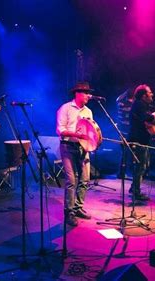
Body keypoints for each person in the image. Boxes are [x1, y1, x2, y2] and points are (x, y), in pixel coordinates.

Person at [56, 81, 95, 227]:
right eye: (86, 93)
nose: (88, 96)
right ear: (77, 93)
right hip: (68, 146)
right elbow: (60, 130)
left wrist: (92, 140)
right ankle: (69, 212)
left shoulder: (88, 111)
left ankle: (78, 207)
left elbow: (91, 129)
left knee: (85, 179)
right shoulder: (65, 108)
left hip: (83, 147)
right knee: (71, 181)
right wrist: (77, 135)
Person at [128, 84, 155, 201]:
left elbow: (152, 124)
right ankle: (136, 191)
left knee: (143, 166)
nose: (152, 94)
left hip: (142, 140)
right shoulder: (139, 105)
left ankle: (134, 188)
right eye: (150, 92)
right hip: (137, 140)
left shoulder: (144, 106)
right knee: (141, 166)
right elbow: (149, 118)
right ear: (143, 96)